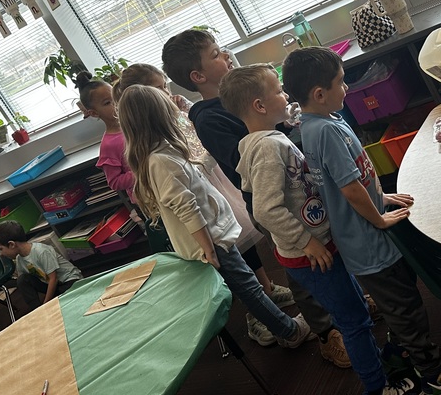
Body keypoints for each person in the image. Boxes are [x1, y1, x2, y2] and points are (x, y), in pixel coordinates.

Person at [223, 64, 422, 395]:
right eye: (279, 91)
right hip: (310, 254)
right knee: (354, 322)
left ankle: (381, 371)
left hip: (318, 246)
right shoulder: (268, 149)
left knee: (356, 310)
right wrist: (306, 242)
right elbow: (266, 210)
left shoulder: (270, 139)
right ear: (259, 105)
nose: (286, 96)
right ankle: (379, 394)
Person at [282, 47, 441, 395]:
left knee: (400, 301)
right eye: (341, 83)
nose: (346, 89)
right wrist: (379, 217)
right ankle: (434, 372)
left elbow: (349, 179)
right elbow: (348, 188)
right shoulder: (325, 131)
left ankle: (402, 349)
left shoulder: (320, 122)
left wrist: (382, 197)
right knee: (406, 309)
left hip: (367, 233)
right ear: (319, 94)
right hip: (369, 242)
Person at [162, 30, 350, 367]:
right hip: (272, 197)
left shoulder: (241, 94)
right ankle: (326, 332)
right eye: (217, 54)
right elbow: (248, 164)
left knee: (326, 248)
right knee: (300, 264)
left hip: (297, 189)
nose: (227, 55)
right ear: (198, 76)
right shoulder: (209, 118)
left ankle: (346, 304)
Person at [113, 63, 305, 350]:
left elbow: (200, 171)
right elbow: (186, 206)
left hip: (215, 235)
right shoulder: (161, 160)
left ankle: (284, 327)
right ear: (157, 119)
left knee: (248, 285)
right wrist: (208, 246)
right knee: (248, 289)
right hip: (211, 241)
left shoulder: (165, 152)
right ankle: (289, 332)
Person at [0, 220, 83, 310]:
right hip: (53, 285)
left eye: (1, 249)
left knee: (68, 302)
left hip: (69, 280)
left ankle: (48, 306)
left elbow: (53, 279)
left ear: (11, 244)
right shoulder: (19, 259)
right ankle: (36, 310)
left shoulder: (41, 251)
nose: (1, 254)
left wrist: (46, 304)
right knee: (22, 280)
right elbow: (24, 281)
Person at [77, 73, 134, 198]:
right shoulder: (109, 145)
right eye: (108, 103)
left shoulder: (135, 123)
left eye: (116, 97)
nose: (116, 103)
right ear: (94, 113)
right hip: (147, 197)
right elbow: (114, 182)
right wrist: (140, 173)